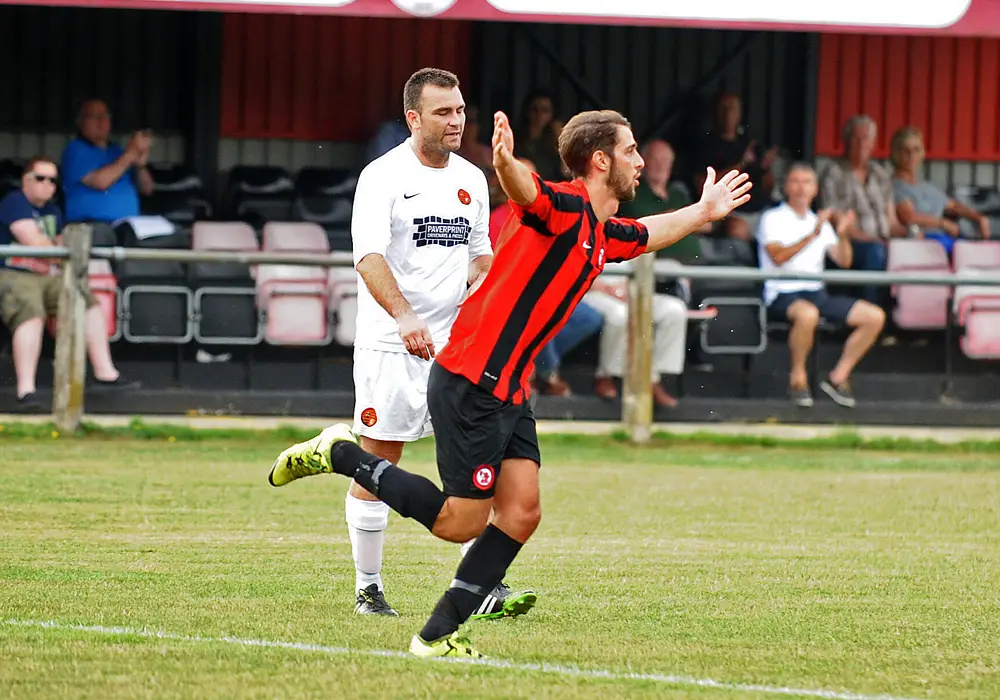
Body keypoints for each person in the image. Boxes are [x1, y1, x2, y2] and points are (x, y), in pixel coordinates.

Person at [267, 108, 750, 657]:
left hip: (511, 390)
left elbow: (648, 233)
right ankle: (343, 454)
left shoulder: (599, 231)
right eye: (631, 151)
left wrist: (705, 212)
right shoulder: (564, 207)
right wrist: (503, 161)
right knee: (456, 523)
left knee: (521, 512)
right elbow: (528, 191)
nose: (639, 162)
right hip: (472, 382)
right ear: (600, 161)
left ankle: (437, 635)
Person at [311, 68, 534, 620]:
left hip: (457, 347)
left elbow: (480, 251)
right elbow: (368, 256)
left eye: (460, 111)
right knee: (381, 456)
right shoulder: (381, 176)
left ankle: (479, 585)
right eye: (443, 112)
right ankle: (368, 588)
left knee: (471, 462)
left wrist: (483, 284)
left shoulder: (471, 177)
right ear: (413, 117)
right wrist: (405, 315)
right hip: (392, 342)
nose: (456, 121)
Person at [0, 157, 137, 410]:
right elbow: (34, 242)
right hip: (13, 274)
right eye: (41, 178)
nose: (48, 185)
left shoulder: (53, 211)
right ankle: (26, 391)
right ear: (25, 180)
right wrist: (63, 251)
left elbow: (62, 246)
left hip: (49, 275)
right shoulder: (14, 202)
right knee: (31, 312)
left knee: (87, 300)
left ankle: (104, 373)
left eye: (53, 180)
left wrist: (62, 251)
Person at [758, 163, 885, 407]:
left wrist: (844, 233)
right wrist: (813, 234)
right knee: (808, 314)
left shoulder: (820, 223)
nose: (801, 187)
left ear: (815, 189)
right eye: (795, 181)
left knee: (874, 317)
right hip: (783, 293)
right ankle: (798, 379)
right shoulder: (772, 218)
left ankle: (838, 378)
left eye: (806, 182)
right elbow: (778, 256)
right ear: (786, 187)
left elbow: (844, 261)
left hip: (817, 292)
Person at [890, 126, 992, 255]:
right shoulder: (895, 186)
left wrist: (979, 218)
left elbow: (953, 205)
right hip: (922, 242)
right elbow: (909, 217)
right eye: (906, 151)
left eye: (916, 150)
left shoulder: (927, 186)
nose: (912, 155)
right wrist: (943, 223)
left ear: (922, 153)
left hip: (945, 240)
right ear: (896, 153)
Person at [60, 99, 155, 224]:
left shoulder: (118, 151)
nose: (101, 120)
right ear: (80, 122)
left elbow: (147, 189)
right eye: (94, 116)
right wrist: (131, 154)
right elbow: (100, 182)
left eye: (105, 116)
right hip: (91, 225)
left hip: (129, 224)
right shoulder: (75, 150)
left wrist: (140, 165)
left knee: (173, 237)